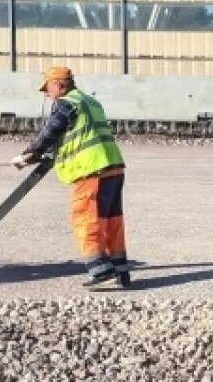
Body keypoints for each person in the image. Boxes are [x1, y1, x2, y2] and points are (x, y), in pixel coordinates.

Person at [11, 66, 130, 288]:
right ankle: (121, 272)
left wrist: (29, 153)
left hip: (90, 170)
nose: (46, 94)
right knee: (111, 223)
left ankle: (101, 272)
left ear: (58, 84)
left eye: (46, 88)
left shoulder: (67, 103)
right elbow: (77, 132)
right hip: (113, 167)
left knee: (86, 220)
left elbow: (52, 131)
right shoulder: (89, 101)